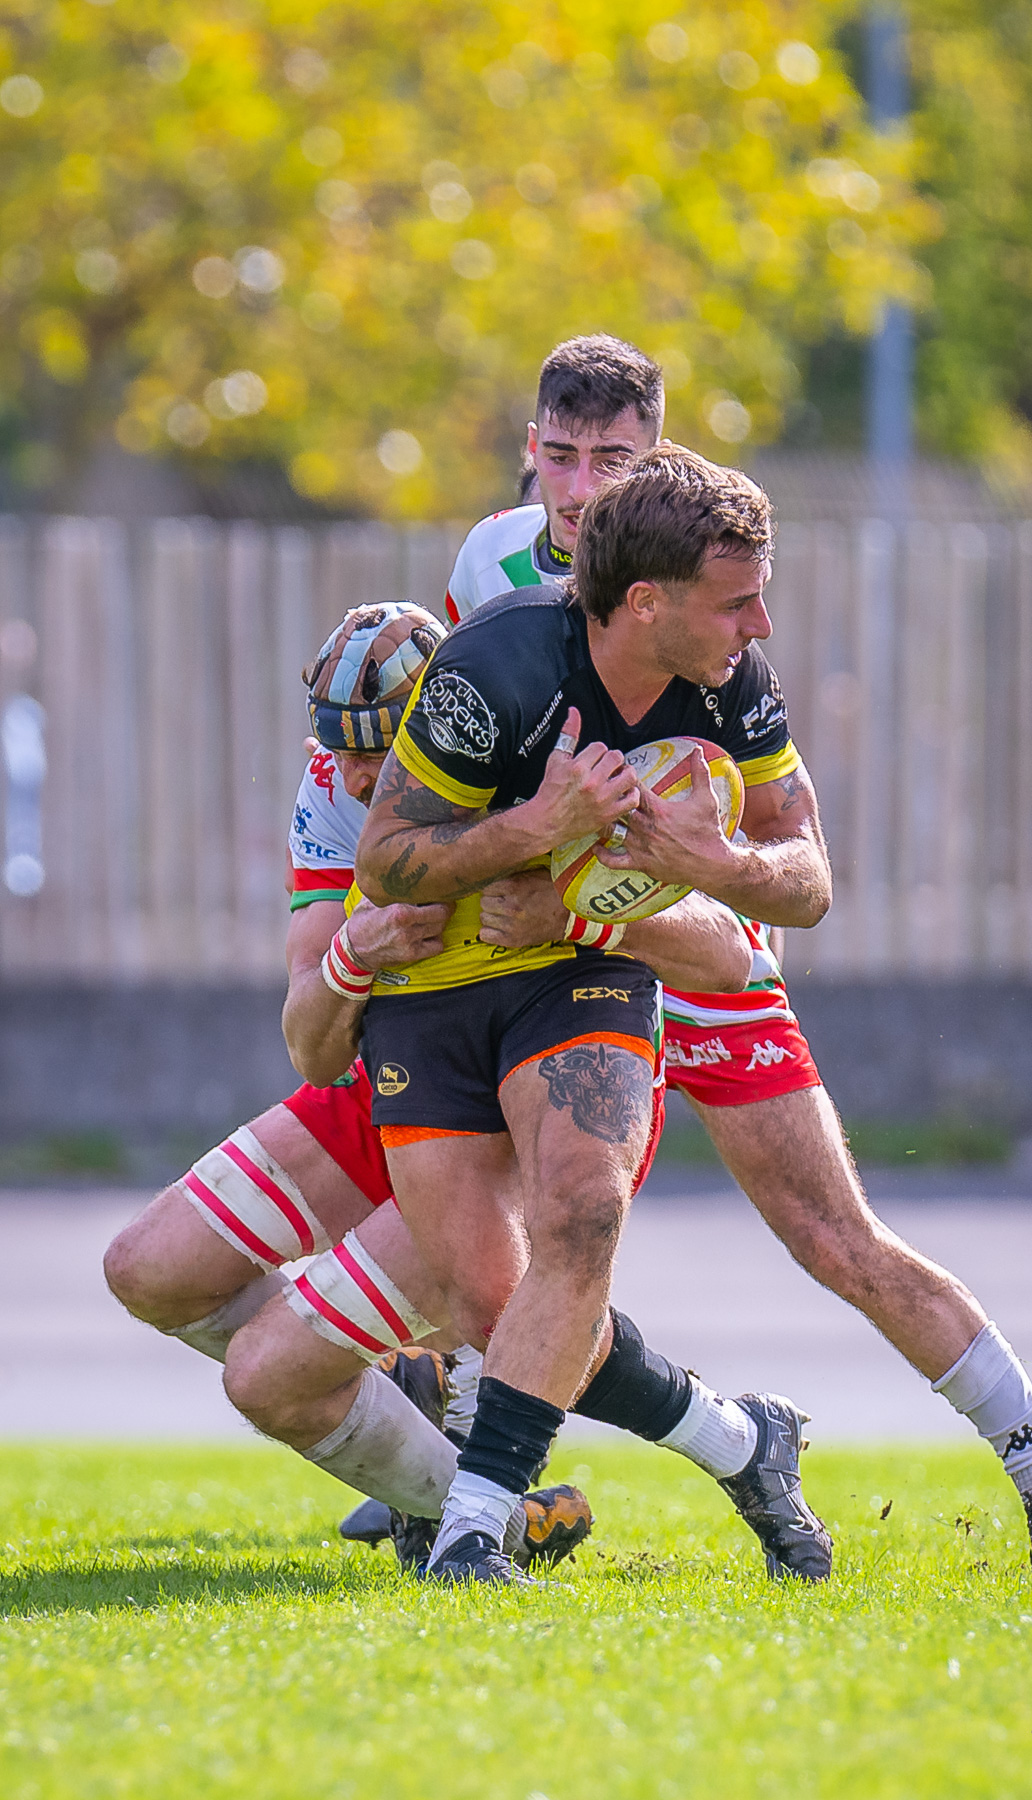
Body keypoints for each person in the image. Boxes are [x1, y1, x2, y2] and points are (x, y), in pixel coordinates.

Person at [438, 345, 1032, 1575]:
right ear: (528, 449)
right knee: (511, 1232)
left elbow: (803, 869)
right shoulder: (488, 576)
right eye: (561, 453)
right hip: (565, 965)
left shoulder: (717, 624)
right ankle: (461, 1493)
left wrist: (687, 868)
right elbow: (470, 783)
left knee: (832, 1238)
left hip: (690, 952)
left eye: (612, 459)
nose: (578, 483)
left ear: (653, 463)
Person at [108, 602, 831, 1585]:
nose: (361, 775)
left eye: (382, 747)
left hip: (526, 1089)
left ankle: (558, 1487)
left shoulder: (539, 755)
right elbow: (310, 1048)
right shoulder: (335, 792)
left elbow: (732, 955)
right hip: (395, 1075)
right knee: (146, 1269)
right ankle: (483, 1487)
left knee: (343, 1350)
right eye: (339, 747)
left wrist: (581, 912)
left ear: (450, 726)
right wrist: (351, 961)